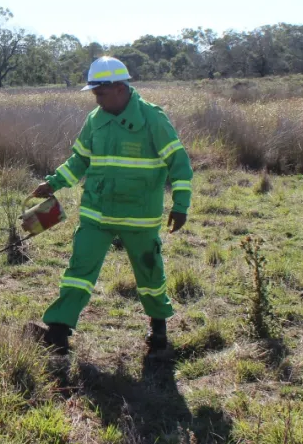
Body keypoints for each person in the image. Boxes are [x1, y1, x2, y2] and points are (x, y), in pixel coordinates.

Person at [27, 56, 192, 357]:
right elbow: (80, 160)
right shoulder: (95, 120)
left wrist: (181, 206)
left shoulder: (152, 118)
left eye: (100, 93)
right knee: (78, 270)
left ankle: (158, 327)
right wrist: (53, 182)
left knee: (150, 273)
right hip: (96, 213)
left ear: (118, 87)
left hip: (139, 216)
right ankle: (59, 331)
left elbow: (179, 163)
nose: (96, 99)